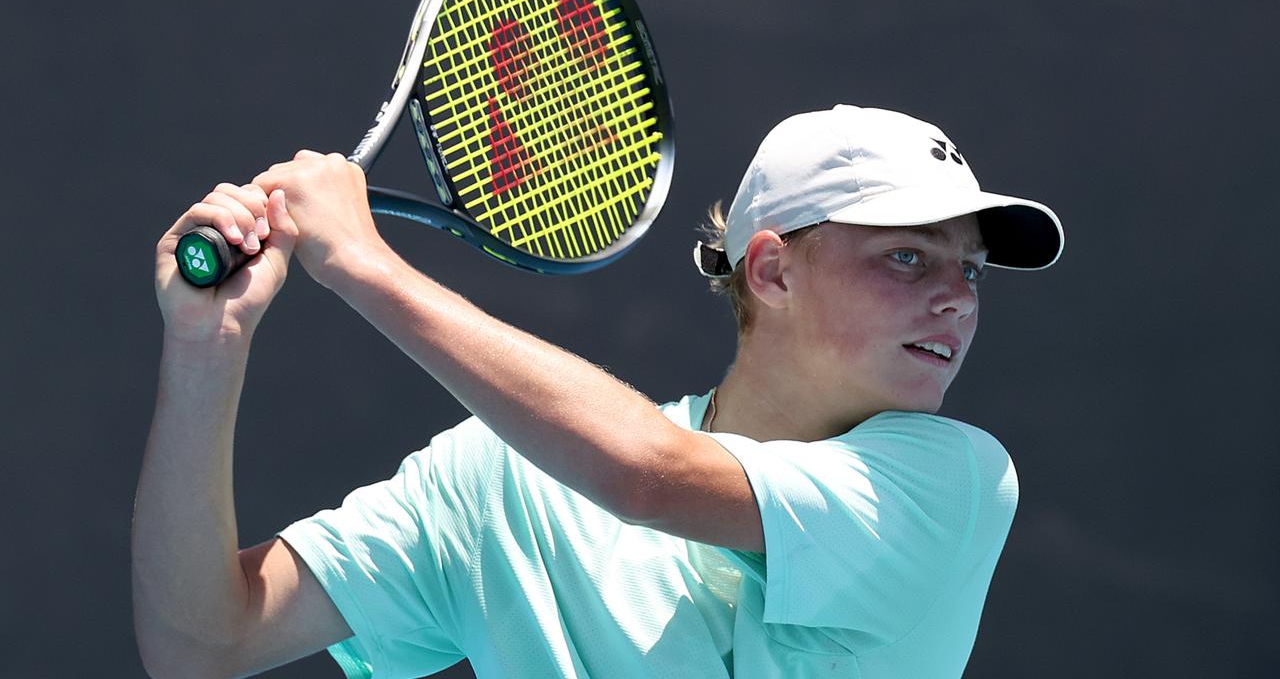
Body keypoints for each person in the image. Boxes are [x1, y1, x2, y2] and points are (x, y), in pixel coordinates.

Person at [133, 104, 1063, 679]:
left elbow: (649, 476)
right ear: (773, 273)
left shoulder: (958, 484)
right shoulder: (498, 480)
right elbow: (202, 643)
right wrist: (206, 347)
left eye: (971, 273)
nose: (955, 299)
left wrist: (366, 267)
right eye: (908, 256)